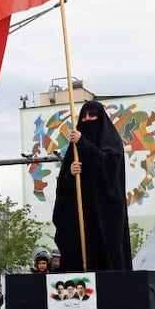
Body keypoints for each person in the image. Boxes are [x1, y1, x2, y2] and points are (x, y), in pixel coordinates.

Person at [51, 100, 132, 272]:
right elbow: (62, 186)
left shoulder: (112, 141)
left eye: (92, 115)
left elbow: (109, 166)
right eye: (84, 115)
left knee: (106, 255)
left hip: (104, 213)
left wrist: (83, 143)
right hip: (80, 214)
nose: (87, 119)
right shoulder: (74, 148)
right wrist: (70, 175)